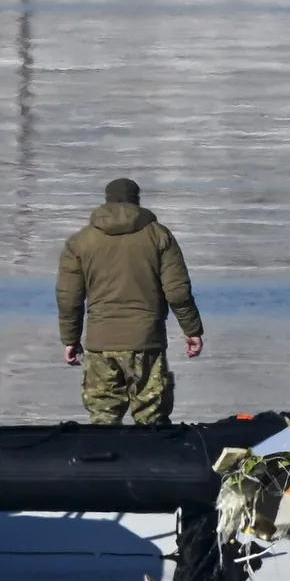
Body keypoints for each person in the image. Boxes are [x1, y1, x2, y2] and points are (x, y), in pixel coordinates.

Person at [55, 177, 204, 426]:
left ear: (107, 201)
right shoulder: (159, 236)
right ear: (137, 201)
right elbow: (177, 292)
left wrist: (70, 339)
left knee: (103, 418)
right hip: (146, 340)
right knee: (151, 418)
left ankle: (104, 462)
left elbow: (69, 298)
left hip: (100, 340)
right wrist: (192, 330)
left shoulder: (80, 242)